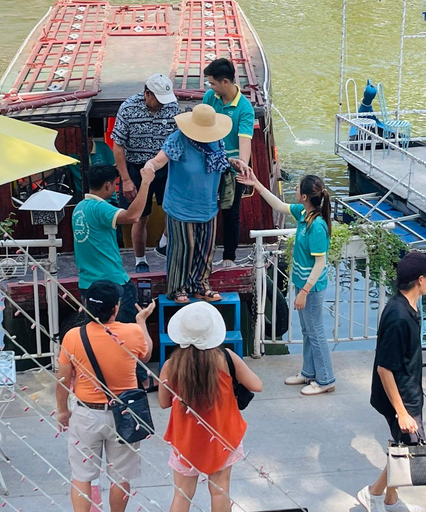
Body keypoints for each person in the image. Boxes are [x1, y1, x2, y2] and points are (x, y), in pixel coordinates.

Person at [56, 280, 155, 512]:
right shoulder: (132, 332)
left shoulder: (72, 336)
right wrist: (142, 322)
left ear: (86, 306)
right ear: (115, 308)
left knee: (82, 476)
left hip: (86, 413)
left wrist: (62, 410)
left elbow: (62, 379)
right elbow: (147, 354)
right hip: (124, 414)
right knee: (120, 476)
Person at [358, 252, 426, 512]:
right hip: (400, 397)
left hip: (408, 391)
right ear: (420, 280)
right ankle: (373, 493)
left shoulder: (408, 306)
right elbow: (385, 368)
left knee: (401, 448)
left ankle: (389, 499)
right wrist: (402, 412)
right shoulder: (399, 317)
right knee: (406, 451)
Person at [237, 171, 335, 395]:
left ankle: (326, 378)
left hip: (311, 287)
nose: (295, 190)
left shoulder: (317, 226)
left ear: (304, 197)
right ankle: (309, 372)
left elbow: (320, 263)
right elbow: (280, 206)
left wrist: (304, 292)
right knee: (308, 330)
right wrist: (256, 184)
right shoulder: (303, 213)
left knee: (316, 331)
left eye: (298, 188)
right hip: (302, 283)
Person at [159, 302, 262, 512]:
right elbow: (257, 385)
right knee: (220, 490)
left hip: (186, 439)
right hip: (221, 436)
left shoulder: (171, 365)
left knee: (182, 495)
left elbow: (163, 402)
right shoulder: (225, 358)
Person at [141, 104, 236, 304]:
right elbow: (159, 160)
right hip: (181, 206)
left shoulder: (217, 141)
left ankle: (200, 285)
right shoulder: (178, 140)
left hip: (208, 205)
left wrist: (235, 163)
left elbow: (221, 162)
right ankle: (177, 288)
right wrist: (150, 166)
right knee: (183, 248)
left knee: (206, 248)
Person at [111, 73, 180, 273]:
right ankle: (140, 259)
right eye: (158, 99)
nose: (161, 104)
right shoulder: (128, 108)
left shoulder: (171, 108)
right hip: (135, 168)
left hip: (164, 165)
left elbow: (176, 140)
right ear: (147, 94)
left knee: (173, 210)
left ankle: (165, 242)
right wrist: (125, 179)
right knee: (139, 217)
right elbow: (118, 146)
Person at [72, 163, 155, 324]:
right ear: (108, 185)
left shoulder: (79, 208)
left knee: (96, 333)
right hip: (112, 284)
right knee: (124, 333)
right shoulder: (100, 208)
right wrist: (145, 183)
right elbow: (133, 217)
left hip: (87, 284)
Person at [199, 57, 255, 268]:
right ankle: (204, 254)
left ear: (225, 82)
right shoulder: (209, 98)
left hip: (231, 170)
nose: (209, 87)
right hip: (208, 165)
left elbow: (245, 141)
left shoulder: (244, 108)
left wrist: (242, 165)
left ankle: (229, 257)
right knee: (206, 210)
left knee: (231, 213)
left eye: (212, 82)